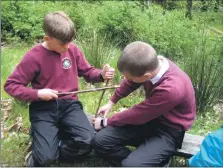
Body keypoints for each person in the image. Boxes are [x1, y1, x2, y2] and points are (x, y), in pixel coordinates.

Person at [4, 11, 114, 167]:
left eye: (69, 42)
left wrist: (101, 75)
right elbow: (11, 85)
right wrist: (38, 94)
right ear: (47, 39)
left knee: (88, 140)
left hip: (70, 106)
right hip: (43, 109)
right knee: (45, 160)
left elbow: (88, 72)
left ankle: (56, 144)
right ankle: (41, 148)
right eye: (63, 44)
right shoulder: (33, 56)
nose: (67, 47)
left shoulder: (72, 50)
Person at [92, 41, 196, 167]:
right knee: (101, 141)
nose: (129, 80)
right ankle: (141, 162)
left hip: (169, 130)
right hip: (149, 121)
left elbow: (139, 114)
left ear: (147, 75)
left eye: (131, 77)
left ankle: (139, 163)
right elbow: (131, 82)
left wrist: (105, 122)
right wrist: (111, 102)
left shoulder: (171, 88)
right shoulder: (152, 65)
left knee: (131, 165)